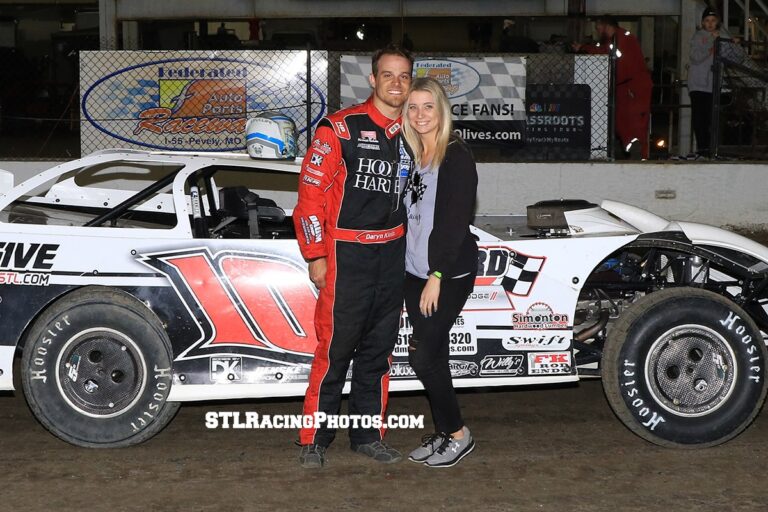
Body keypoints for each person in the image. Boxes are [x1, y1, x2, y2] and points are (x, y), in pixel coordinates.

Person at [292, 44, 414, 469]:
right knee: (335, 350)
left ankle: (367, 436)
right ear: (373, 79)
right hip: (347, 254)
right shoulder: (340, 129)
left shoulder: (416, 133)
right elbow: (309, 199)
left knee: (378, 353)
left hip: (392, 254)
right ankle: (314, 440)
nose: (396, 84)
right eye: (388, 75)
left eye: (403, 77)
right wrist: (315, 254)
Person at [400, 77, 479, 467]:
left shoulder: (456, 155)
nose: (420, 115)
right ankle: (445, 431)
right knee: (435, 355)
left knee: (423, 356)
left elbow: (455, 223)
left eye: (428, 106)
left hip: (444, 273)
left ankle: (459, 434)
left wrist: (437, 276)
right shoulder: (413, 155)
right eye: (412, 107)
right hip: (413, 271)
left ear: (442, 109)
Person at [573, 15, 653, 160]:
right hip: (625, 86)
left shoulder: (622, 40)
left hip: (632, 87)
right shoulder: (616, 40)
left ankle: (639, 152)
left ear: (605, 26)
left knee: (634, 121)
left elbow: (608, 53)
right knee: (621, 120)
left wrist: (585, 48)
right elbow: (606, 50)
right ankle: (631, 149)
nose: (597, 32)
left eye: (598, 28)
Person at [689, 8, 733, 158]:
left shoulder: (722, 36)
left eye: (713, 21)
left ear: (718, 22)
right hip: (698, 84)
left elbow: (733, 57)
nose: (710, 24)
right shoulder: (698, 36)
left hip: (713, 85)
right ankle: (703, 149)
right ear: (702, 22)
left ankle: (711, 149)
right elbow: (695, 57)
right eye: (707, 20)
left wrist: (732, 44)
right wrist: (711, 41)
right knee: (700, 118)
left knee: (711, 119)